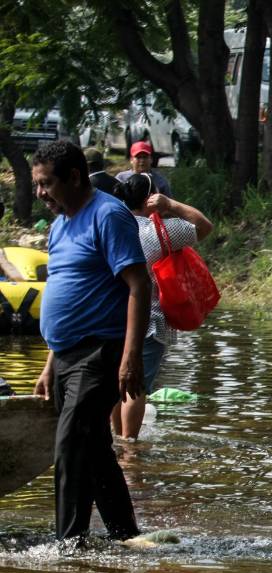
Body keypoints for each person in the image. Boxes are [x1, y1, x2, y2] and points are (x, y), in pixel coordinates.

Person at [30, 140, 150, 545]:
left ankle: (68, 544)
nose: (40, 193)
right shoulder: (60, 224)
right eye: (37, 185)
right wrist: (51, 363)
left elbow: (138, 284)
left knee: (69, 446)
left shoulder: (108, 215)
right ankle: (124, 535)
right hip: (67, 356)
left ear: (75, 177)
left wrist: (132, 356)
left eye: (46, 184)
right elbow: (65, 291)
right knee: (94, 448)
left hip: (101, 352)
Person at [110, 172, 213, 440]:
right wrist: (171, 205)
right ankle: (130, 449)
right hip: (149, 321)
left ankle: (117, 441)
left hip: (113, 320)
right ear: (150, 199)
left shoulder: (111, 227)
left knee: (115, 385)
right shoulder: (159, 231)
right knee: (136, 387)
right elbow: (204, 226)